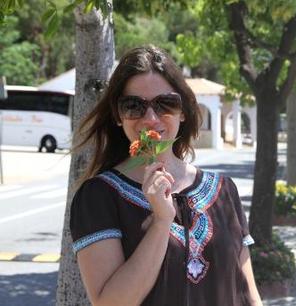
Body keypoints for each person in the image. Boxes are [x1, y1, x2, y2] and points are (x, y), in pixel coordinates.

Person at [70, 45, 262, 306]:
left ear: (183, 111)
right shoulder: (98, 197)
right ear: (118, 115)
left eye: (166, 103)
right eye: (133, 105)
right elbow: (111, 303)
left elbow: (248, 292)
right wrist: (161, 221)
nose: (150, 118)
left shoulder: (223, 190)